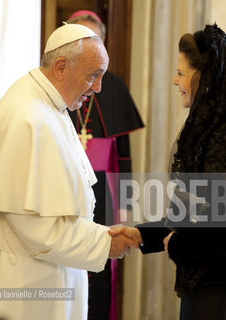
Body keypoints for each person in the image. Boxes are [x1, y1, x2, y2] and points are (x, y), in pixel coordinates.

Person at [0, 24, 140, 320]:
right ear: (61, 67)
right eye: (93, 75)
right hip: (17, 278)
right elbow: (34, 227)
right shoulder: (27, 118)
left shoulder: (48, 103)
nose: (98, 88)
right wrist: (104, 242)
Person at [109, 24, 226, 320]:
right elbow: (199, 216)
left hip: (224, 293)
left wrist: (178, 245)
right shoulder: (214, 132)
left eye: (182, 73)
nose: (175, 80)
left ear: (207, 80)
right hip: (211, 285)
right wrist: (141, 234)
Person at [66, 10, 144, 320]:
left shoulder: (114, 86)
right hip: (66, 183)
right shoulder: (60, 83)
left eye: (93, 40)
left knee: (97, 265)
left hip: (102, 188)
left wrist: (123, 204)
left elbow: (123, 154)